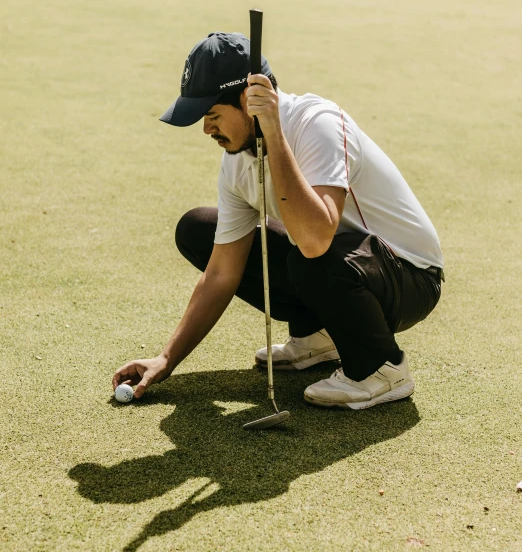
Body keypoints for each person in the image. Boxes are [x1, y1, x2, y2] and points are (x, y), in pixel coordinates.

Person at [113, 31, 443, 410]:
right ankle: (319, 337)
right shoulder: (236, 161)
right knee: (198, 229)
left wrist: (273, 133)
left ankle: (381, 368)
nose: (206, 130)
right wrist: (166, 359)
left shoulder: (317, 123)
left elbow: (316, 238)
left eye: (212, 116)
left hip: (410, 277)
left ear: (249, 101)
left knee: (308, 253)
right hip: (341, 267)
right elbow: (222, 272)